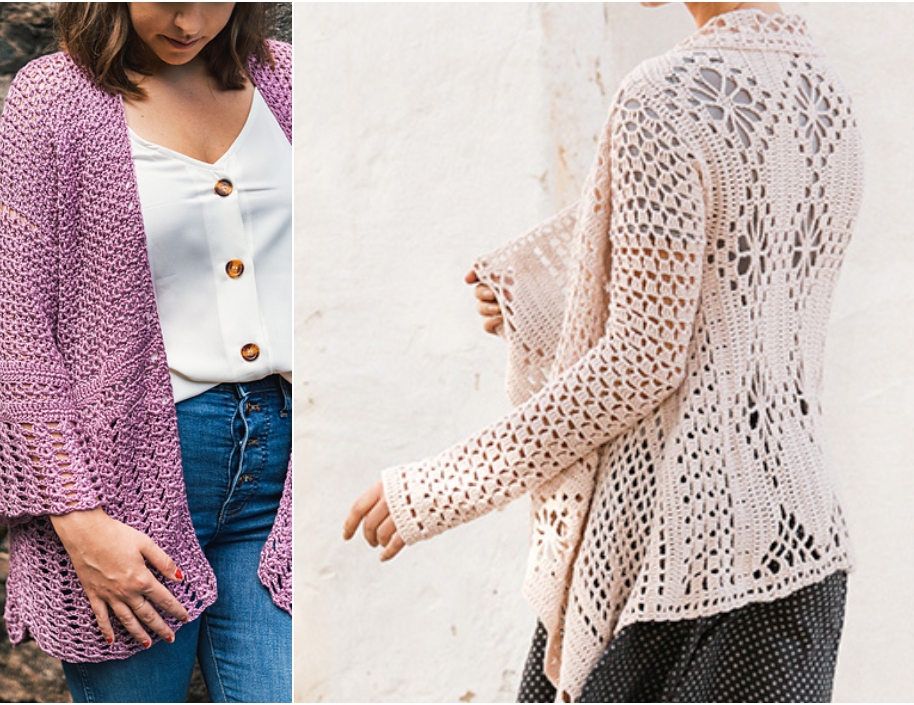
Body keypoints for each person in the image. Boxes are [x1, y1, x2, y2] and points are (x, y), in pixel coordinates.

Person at [345, 2, 862, 701]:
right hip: (797, 545)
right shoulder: (823, 91)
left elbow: (642, 360)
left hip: (668, 559)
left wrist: (441, 486)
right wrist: (545, 308)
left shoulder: (665, 97)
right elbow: (727, 314)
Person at [0, 3, 292, 702]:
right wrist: (77, 522)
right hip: (124, 475)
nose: (189, 19)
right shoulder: (53, 98)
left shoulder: (287, 82)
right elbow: (15, 326)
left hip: (286, 470)